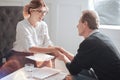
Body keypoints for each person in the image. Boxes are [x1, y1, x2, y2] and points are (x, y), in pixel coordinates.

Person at [56, 10, 120, 80]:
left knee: (70, 77)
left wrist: (63, 57)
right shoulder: (100, 37)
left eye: (79, 22)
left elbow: (73, 70)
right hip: (107, 75)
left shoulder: (89, 42)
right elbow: (78, 63)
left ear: (85, 24)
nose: (77, 26)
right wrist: (65, 53)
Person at [6, 0, 58, 69]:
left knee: (49, 64)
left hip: (36, 56)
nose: (43, 15)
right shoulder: (22, 25)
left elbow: (47, 42)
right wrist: (53, 49)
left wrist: (56, 50)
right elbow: (31, 48)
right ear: (31, 11)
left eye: (44, 12)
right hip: (20, 55)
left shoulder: (44, 25)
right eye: (40, 11)